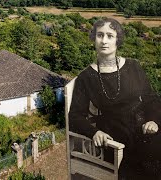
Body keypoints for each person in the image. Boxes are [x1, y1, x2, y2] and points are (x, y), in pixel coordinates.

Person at [69, 18, 161, 179]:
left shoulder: (134, 66)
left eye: (110, 36)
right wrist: (94, 132)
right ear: (93, 38)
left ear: (118, 40)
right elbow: (75, 116)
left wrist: (154, 120)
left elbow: (151, 99)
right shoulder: (86, 77)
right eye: (100, 35)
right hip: (116, 133)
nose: (104, 41)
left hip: (145, 126)